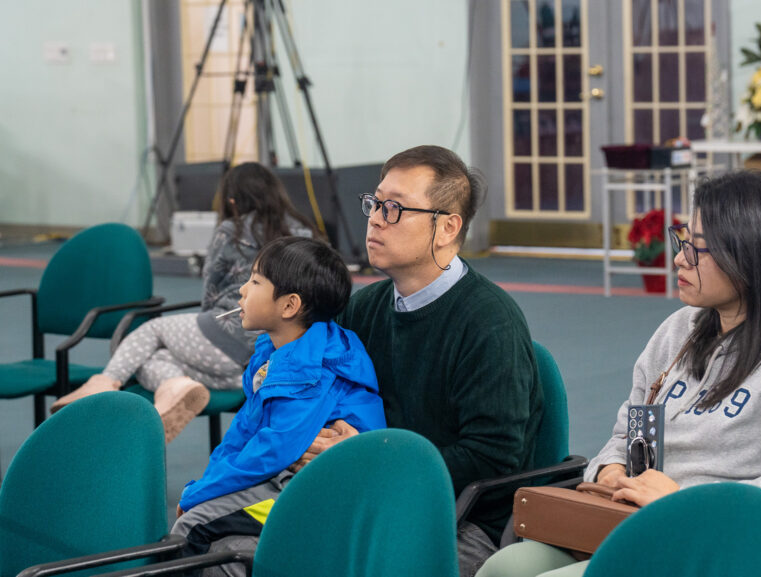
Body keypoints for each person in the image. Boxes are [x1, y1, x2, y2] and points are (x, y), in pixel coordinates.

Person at [477, 169, 761, 577]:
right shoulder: (679, 331)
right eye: (683, 240)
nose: (679, 259)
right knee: (505, 569)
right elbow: (627, 435)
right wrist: (610, 470)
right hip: (645, 527)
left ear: (750, 255)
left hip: (741, 551)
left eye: (697, 248)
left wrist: (684, 500)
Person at [194, 145, 542, 577]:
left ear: (447, 228)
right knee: (218, 551)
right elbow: (312, 389)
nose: (375, 219)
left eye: (394, 208)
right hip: (361, 493)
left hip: (453, 517)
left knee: (273, 562)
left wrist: (369, 456)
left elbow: (493, 457)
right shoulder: (363, 308)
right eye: (375, 204)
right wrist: (314, 434)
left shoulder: (490, 323)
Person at [50, 162, 316, 442]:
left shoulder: (232, 229)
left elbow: (210, 288)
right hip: (276, 350)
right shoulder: (303, 232)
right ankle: (179, 385)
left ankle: (106, 382)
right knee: (155, 358)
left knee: (151, 331)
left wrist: (207, 327)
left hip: (229, 330)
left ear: (233, 200)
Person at [171, 236, 385, 557]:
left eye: (255, 281)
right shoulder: (274, 352)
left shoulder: (310, 370)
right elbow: (244, 430)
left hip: (327, 495)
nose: (243, 290)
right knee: (204, 517)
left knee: (193, 525)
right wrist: (204, 486)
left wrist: (198, 496)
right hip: (287, 473)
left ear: (289, 306)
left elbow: (274, 450)